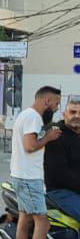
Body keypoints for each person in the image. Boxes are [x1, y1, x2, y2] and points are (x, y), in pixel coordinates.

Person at [10, 85, 63, 239]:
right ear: (47, 101)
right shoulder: (33, 117)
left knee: (24, 219)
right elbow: (30, 146)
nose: (57, 108)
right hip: (28, 178)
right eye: (56, 104)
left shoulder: (26, 115)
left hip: (20, 175)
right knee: (43, 222)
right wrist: (48, 138)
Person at [44, 96, 80, 225]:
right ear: (64, 114)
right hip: (61, 191)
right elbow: (60, 175)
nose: (77, 116)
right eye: (73, 112)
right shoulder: (56, 137)